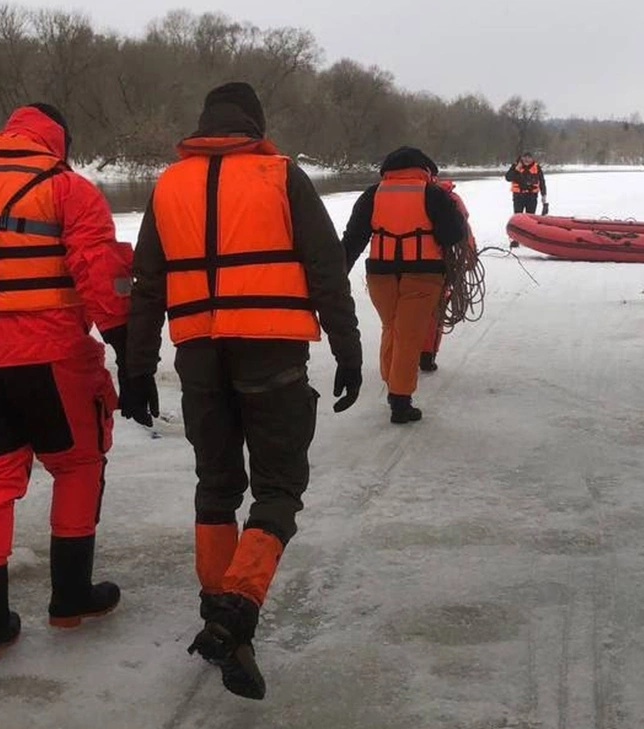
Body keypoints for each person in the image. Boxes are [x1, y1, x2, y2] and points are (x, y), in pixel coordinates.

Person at [124, 82, 363, 700]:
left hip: (199, 356)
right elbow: (326, 270)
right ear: (255, 125)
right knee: (278, 487)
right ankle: (233, 615)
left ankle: (220, 618)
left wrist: (138, 368)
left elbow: (146, 285)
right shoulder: (282, 175)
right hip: (272, 353)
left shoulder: (168, 185)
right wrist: (347, 348)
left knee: (216, 486)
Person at [0, 103, 144, 665]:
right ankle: (70, 598)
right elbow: (100, 279)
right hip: (54, 358)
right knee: (79, 463)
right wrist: (127, 348)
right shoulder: (68, 189)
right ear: (58, 142)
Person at [342, 147, 467, 422]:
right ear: (425, 169)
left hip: (380, 274)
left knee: (392, 327)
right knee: (409, 334)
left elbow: (353, 238)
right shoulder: (433, 194)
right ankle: (400, 400)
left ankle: (392, 380)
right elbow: (453, 233)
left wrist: (336, 274)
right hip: (423, 273)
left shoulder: (373, 194)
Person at [419, 176, 476, 373]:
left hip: (401, 265)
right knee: (435, 311)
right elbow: (463, 229)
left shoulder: (413, 195)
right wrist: (469, 254)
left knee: (400, 316)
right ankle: (427, 355)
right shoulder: (451, 199)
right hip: (438, 265)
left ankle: (403, 356)